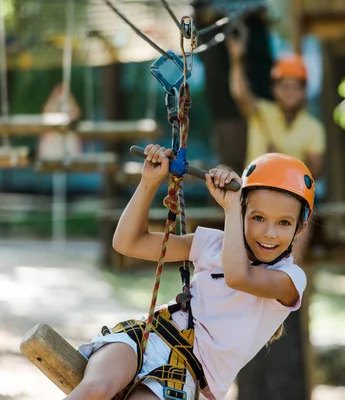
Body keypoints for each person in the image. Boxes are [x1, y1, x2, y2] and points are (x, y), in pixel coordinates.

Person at [65, 144, 313, 400]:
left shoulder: (291, 280)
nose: (269, 233)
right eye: (257, 217)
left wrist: (231, 209)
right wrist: (149, 182)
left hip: (190, 374)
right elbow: (128, 243)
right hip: (152, 334)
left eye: (284, 223)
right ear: (244, 213)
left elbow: (238, 277)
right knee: (95, 389)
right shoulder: (212, 243)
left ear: (301, 227)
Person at [226, 30, 326, 262]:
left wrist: (284, 167)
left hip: (294, 194)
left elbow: (316, 171)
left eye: (295, 87)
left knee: (302, 224)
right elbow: (241, 94)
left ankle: (288, 278)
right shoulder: (262, 113)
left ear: (303, 91)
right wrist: (236, 57)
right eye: (285, 86)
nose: (290, 92)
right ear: (275, 89)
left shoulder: (313, 127)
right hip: (255, 189)